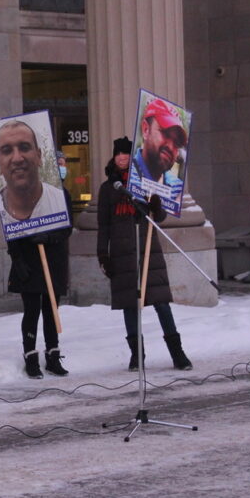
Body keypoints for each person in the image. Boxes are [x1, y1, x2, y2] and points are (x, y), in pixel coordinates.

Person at [97, 137, 193, 372]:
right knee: (130, 305)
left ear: (132, 157)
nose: (122, 158)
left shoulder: (147, 182)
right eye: (118, 154)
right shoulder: (108, 189)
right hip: (122, 255)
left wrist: (157, 204)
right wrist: (103, 255)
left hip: (149, 249)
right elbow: (104, 225)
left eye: (126, 154)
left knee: (161, 303)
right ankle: (136, 355)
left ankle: (177, 353)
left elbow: (158, 218)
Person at [6, 188, 72, 378]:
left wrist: (50, 237)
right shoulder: (18, 193)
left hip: (53, 261)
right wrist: (17, 259)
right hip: (29, 262)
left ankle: (53, 355)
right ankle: (30, 357)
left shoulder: (60, 194)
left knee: (51, 310)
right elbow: (10, 227)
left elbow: (67, 227)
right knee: (32, 310)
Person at [0, 120, 68, 225]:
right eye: (7, 151)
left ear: (39, 156)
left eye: (24, 148)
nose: (17, 159)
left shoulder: (61, 203)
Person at [132, 99, 186, 192]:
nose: (170, 146)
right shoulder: (127, 178)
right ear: (146, 129)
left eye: (177, 143)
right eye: (165, 133)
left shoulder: (178, 189)